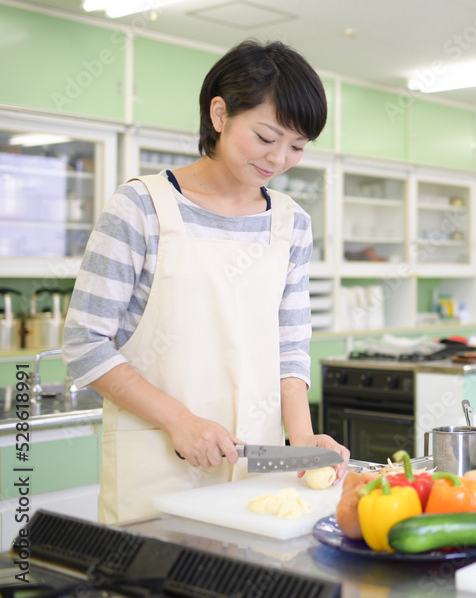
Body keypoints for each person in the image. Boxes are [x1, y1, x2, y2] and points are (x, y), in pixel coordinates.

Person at [63, 39, 350, 524]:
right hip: (156, 469)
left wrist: (300, 436)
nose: (279, 159)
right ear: (219, 114)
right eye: (266, 137)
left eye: (297, 146)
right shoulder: (141, 207)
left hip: (256, 474)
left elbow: (290, 346)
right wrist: (179, 420)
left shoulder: (291, 224)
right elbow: (85, 344)